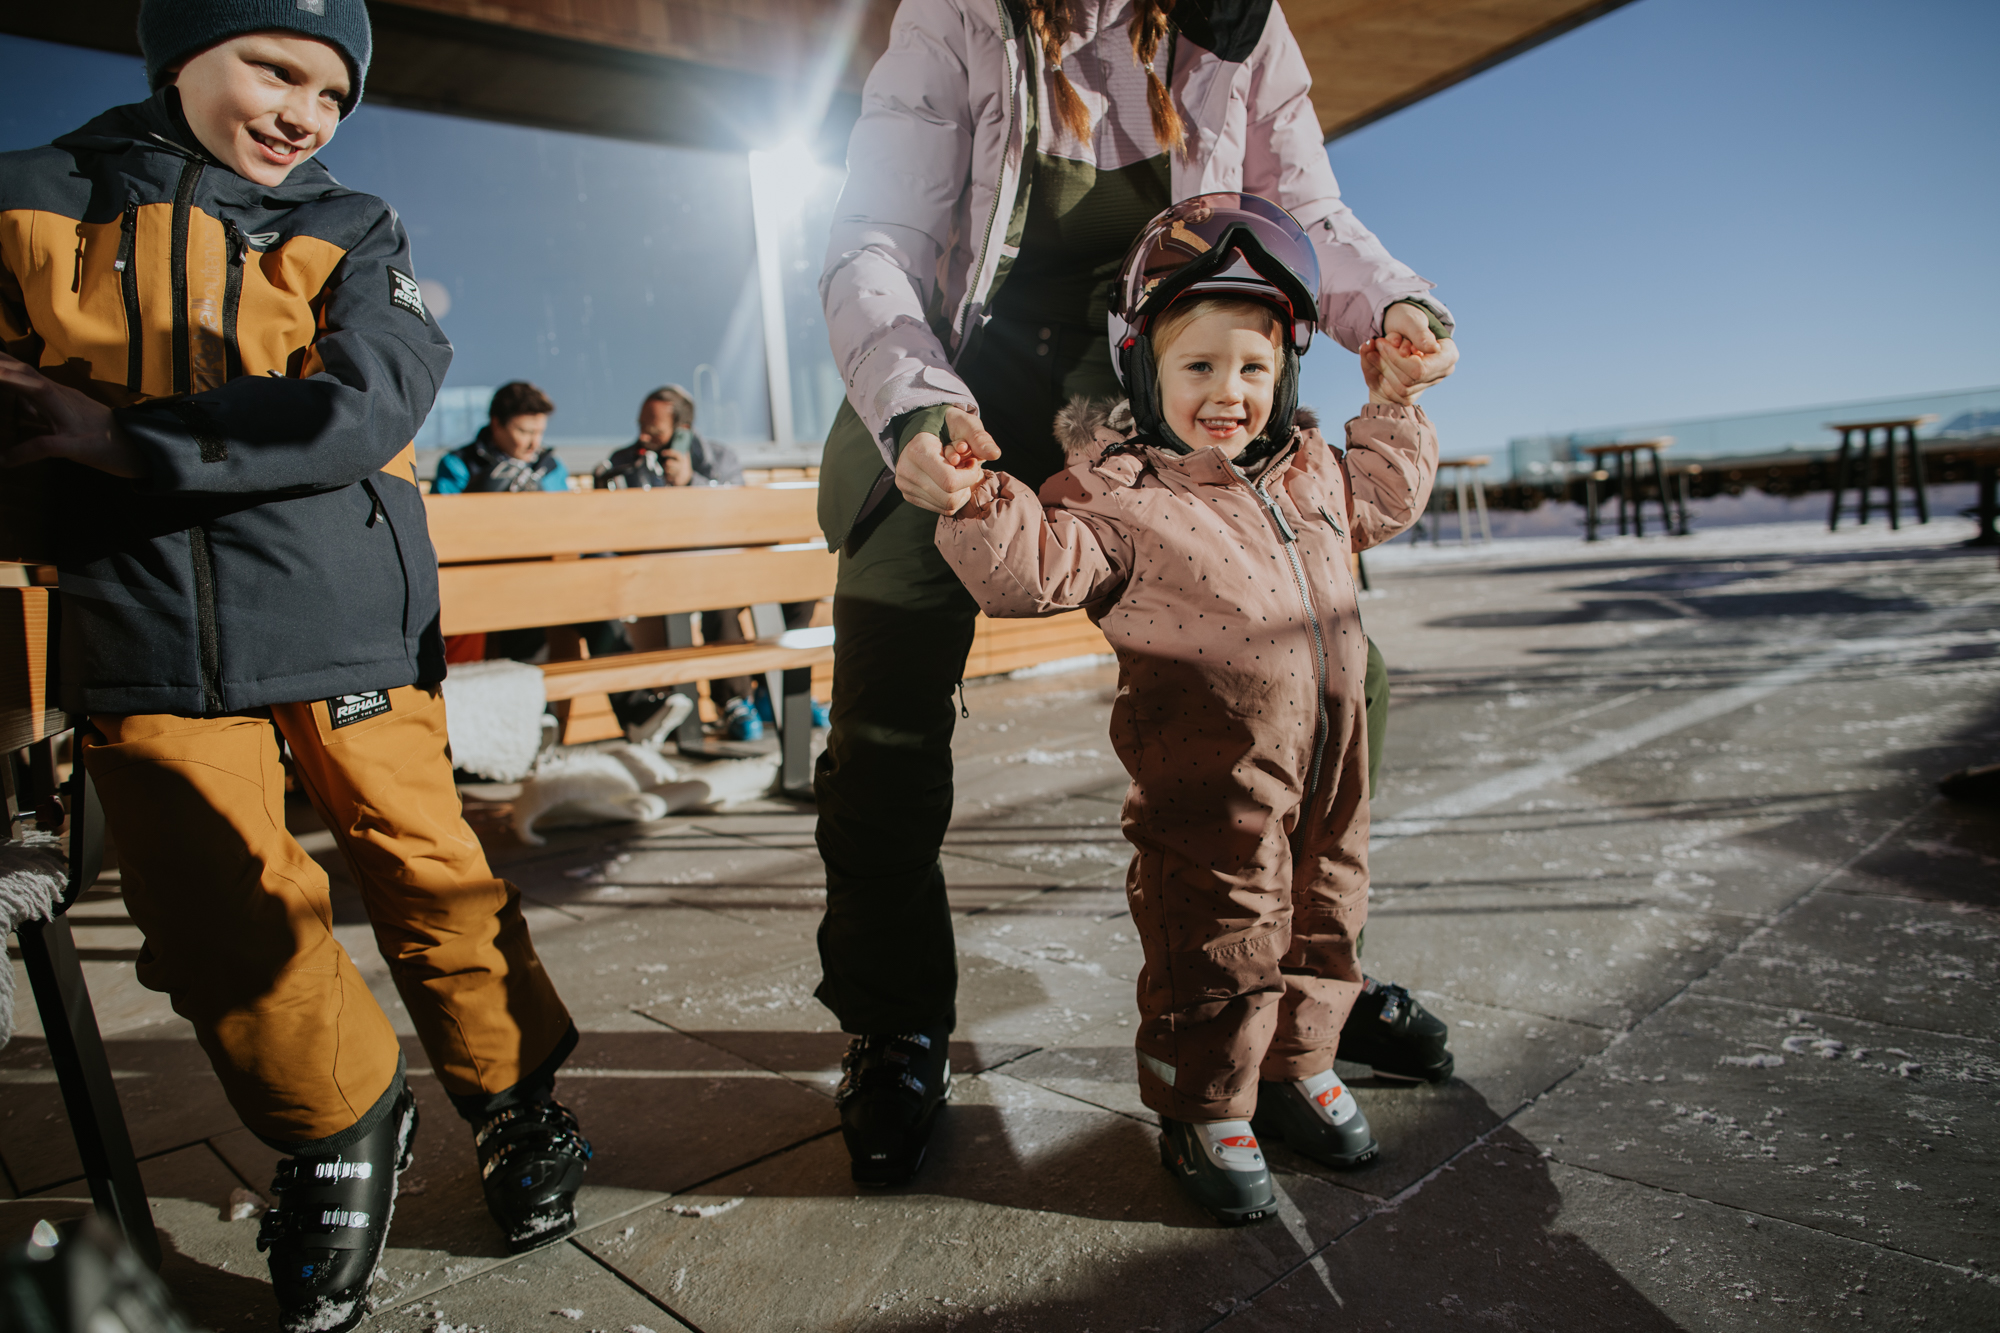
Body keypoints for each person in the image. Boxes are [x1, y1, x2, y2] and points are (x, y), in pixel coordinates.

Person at [0, 5, 591, 1328]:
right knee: (213, 911)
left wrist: (129, 441)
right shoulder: (27, 204)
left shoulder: (348, 226)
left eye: (333, 93)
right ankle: (335, 1117)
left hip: (339, 610)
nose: (305, 113)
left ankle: (510, 1095)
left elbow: (370, 393)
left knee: (428, 865)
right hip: (141, 624)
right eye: (276, 67)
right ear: (180, 52)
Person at [812, 0, 1457, 1188]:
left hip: (1146, 375)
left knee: (1325, 667)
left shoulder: (1231, 24)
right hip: (956, 366)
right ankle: (893, 1019)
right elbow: (876, 239)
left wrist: (1392, 302)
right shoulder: (958, 16)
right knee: (885, 713)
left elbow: (1305, 209)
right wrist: (912, 405)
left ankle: (1302, 987)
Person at [936, 196, 1436, 1223]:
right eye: (1198, 366)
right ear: (1141, 372)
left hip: (1326, 773)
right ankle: (1201, 1100)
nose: (1229, 391)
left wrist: (1390, 396)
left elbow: (1388, 488)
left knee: (1327, 912)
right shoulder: (1119, 496)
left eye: (1252, 369)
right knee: (1217, 936)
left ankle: (1297, 1065)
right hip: (1208, 795)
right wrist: (971, 497)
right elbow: (1029, 568)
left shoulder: (1312, 476)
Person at [597, 386, 826, 742]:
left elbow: (739, 515)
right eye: (641, 425)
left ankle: (776, 693)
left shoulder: (719, 457)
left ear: (683, 428)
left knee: (798, 592)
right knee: (721, 599)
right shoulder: (624, 461)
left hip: (729, 562)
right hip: (664, 574)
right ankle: (733, 700)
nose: (643, 435)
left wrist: (691, 482)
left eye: (653, 429)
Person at [432, 380, 568, 494]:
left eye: (540, 432)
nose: (535, 443)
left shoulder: (552, 466)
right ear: (497, 425)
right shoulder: (460, 465)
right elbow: (442, 519)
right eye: (525, 432)